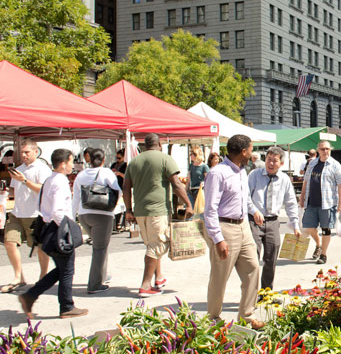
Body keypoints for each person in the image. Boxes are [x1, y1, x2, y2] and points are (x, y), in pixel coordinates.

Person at [18, 149, 88, 319]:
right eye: (71, 162)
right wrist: (68, 229)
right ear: (63, 164)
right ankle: (66, 306)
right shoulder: (60, 181)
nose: (73, 165)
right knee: (66, 270)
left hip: (49, 229)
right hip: (58, 230)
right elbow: (57, 210)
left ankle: (30, 296)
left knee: (62, 269)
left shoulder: (50, 179)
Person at [203, 134, 264, 329]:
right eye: (251, 149)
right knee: (220, 276)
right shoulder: (217, 173)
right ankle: (212, 318)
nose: (252, 154)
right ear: (244, 151)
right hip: (224, 228)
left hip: (243, 226)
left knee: (253, 267)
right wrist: (218, 239)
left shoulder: (241, 172)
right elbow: (210, 209)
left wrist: (254, 211)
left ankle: (247, 315)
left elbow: (245, 199)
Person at [123, 133, 193, 298]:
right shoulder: (164, 159)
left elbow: (126, 187)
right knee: (157, 246)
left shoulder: (134, 161)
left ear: (145, 145)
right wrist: (188, 204)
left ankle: (158, 278)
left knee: (151, 244)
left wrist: (128, 209)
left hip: (140, 211)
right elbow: (176, 184)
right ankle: (145, 285)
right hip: (158, 211)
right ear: (159, 144)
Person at [2, 140, 51, 293]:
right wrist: (5, 192)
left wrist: (24, 180)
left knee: (40, 247)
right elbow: (14, 190)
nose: (23, 155)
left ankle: (43, 276)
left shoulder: (42, 169)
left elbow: (42, 189)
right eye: (22, 152)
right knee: (9, 242)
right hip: (17, 213)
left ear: (36, 152)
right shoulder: (18, 169)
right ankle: (18, 277)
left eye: (26, 152)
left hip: (34, 214)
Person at [248, 146, 301, 290]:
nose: (270, 163)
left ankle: (266, 293)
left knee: (271, 259)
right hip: (254, 220)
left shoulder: (284, 179)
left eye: (275, 161)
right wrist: (253, 211)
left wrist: (295, 224)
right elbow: (245, 196)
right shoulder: (254, 175)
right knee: (252, 259)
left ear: (281, 164)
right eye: (268, 160)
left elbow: (291, 202)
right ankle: (250, 294)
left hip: (273, 222)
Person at [72, 148, 120, 294]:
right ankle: (94, 284)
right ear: (103, 159)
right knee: (99, 248)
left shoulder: (80, 175)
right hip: (102, 214)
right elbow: (117, 190)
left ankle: (102, 275)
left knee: (100, 246)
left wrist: (72, 216)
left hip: (84, 214)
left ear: (89, 159)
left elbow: (76, 197)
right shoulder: (106, 173)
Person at [299, 140, 341, 265]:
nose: (325, 151)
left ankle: (323, 254)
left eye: (327, 149)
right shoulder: (312, 163)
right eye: (323, 149)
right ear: (318, 150)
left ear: (330, 150)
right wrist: (302, 197)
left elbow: (340, 184)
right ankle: (318, 244)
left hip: (328, 202)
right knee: (308, 226)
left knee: (326, 229)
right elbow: (306, 181)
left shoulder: (335, 165)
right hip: (311, 201)